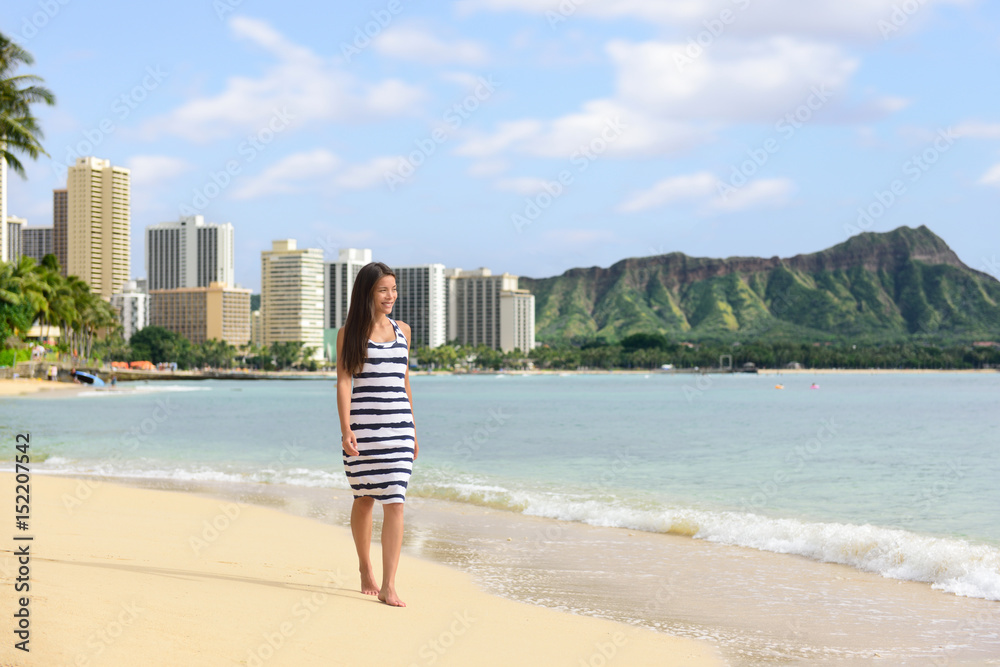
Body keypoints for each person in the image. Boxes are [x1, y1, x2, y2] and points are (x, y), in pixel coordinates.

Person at [336, 262, 418, 607]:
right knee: (364, 498)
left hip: (398, 428)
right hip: (364, 430)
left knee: (396, 501)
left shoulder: (404, 331)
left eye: (394, 289)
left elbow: (404, 381)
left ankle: (389, 585)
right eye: (383, 290)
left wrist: (413, 429)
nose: (391, 296)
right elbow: (343, 382)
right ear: (368, 292)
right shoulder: (349, 334)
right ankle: (365, 569)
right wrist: (346, 430)